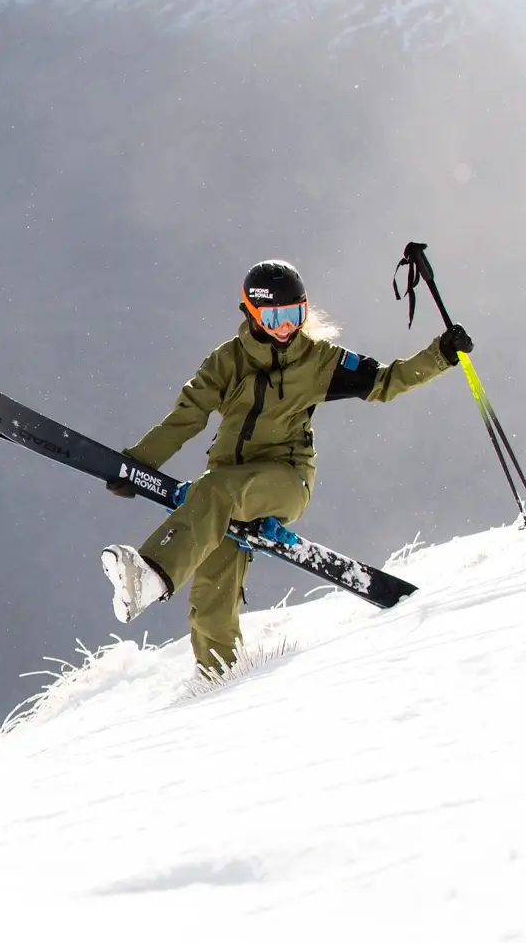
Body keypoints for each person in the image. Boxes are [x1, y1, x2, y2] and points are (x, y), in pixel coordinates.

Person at [102, 259, 472, 674]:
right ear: (252, 313)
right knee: (209, 605)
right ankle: (217, 684)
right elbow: (187, 416)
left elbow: (386, 381)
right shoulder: (226, 361)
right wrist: (138, 462)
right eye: (275, 316)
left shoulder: (321, 360)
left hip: (285, 480)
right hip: (224, 492)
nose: (285, 328)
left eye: (295, 315)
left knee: (214, 489)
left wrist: (440, 355)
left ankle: (151, 574)